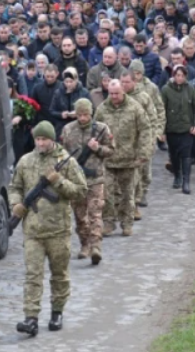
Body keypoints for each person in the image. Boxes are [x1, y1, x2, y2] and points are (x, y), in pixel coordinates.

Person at [9, 121, 87, 337]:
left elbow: (81, 191)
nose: (41, 143)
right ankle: (30, 318)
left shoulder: (66, 163)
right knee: (33, 275)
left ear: (52, 139)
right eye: (38, 139)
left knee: (59, 275)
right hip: (33, 231)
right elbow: (14, 187)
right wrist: (15, 203)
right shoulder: (25, 161)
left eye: (44, 139)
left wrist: (59, 181)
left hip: (58, 231)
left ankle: (57, 311)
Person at [94, 80, 151, 237]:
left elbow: (145, 129)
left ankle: (127, 223)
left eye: (116, 93)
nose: (113, 96)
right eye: (111, 93)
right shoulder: (102, 109)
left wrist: (144, 153)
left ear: (123, 92)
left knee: (128, 195)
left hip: (129, 159)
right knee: (107, 194)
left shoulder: (134, 108)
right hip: (108, 159)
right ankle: (109, 222)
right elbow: (95, 130)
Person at [60, 99, 113, 265]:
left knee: (95, 214)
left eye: (86, 114)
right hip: (76, 181)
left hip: (95, 178)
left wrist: (98, 148)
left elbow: (111, 150)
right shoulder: (68, 130)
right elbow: (61, 154)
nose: (83, 118)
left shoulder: (101, 129)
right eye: (80, 114)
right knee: (80, 216)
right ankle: (85, 244)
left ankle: (96, 246)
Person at [119, 70, 155, 219]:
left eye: (126, 82)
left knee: (142, 174)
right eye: (122, 82)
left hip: (140, 141)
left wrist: (152, 138)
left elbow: (152, 118)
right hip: (123, 144)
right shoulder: (117, 97)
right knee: (126, 177)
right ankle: (129, 207)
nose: (124, 85)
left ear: (134, 82)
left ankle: (137, 201)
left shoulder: (144, 97)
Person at [128, 59, 165, 204]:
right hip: (130, 132)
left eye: (138, 73)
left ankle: (143, 191)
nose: (136, 76)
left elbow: (160, 109)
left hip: (147, 132)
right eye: (134, 73)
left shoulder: (151, 88)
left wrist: (158, 131)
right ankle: (133, 194)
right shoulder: (126, 87)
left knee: (146, 167)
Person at [160, 65, 195, 194]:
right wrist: (162, 131)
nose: (180, 78)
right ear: (173, 75)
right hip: (172, 129)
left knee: (186, 155)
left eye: (182, 76)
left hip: (186, 129)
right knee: (174, 155)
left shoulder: (190, 89)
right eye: (177, 75)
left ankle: (186, 182)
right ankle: (177, 175)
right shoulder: (166, 90)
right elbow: (162, 111)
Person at [48, 68, 90, 139]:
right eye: (66, 81)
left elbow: (91, 109)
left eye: (71, 81)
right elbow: (52, 110)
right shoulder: (58, 93)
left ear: (76, 80)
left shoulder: (84, 92)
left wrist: (79, 113)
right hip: (62, 126)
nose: (68, 84)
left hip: (80, 126)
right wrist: (61, 114)